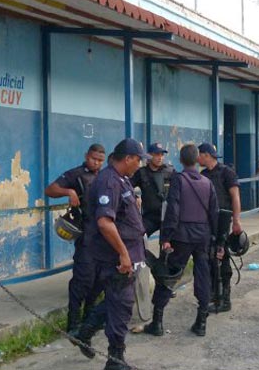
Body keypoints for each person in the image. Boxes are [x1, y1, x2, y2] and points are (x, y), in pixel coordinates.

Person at [72, 138, 150, 369]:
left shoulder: (121, 179)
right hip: (116, 257)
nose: (139, 164)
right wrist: (124, 255)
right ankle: (115, 361)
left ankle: (84, 331)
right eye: (138, 160)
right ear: (128, 158)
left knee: (116, 301)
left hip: (129, 252)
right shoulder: (108, 182)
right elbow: (105, 223)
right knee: (122, 306)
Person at [143, 144, 218, 337]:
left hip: (182, 235)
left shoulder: (179, 179)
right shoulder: (207, 182)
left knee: (169, 277)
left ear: (181, 160)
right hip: (202, 235)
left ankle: (157, 322)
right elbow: (214, 213)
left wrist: (166, 236)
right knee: (203, 276)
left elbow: (173, 209)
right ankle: (201, 322)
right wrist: (214, 239)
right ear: (197, 159)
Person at [44, 143, 106, 334]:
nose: (96, 163)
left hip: (103, 238)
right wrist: (68, 192)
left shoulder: (105, 176)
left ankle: (89, 319)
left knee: (99, 281)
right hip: (86, 237)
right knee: (82, 280)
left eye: (100, 160)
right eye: (94, 158)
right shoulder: (75, 175)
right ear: (86, 155)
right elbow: (50, 190)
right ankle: (73, 324)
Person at [197, 142, 242, 313]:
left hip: (222, 220)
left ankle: (225, 299)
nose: (197, 158)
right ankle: (215, 295)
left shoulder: (226, 172)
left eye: (199, 155)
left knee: (222, 257)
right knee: (210, 258)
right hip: (207, 222)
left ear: (206, 155)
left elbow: (235, 197)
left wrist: (236, 220)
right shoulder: (204, 174)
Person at [130, 142, 175, 236]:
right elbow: (127, 186)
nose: (160, 157)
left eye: (162, 155)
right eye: (157, 154)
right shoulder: (141, 173)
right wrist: (135, 197)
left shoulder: (170, 171)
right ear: (149, 156)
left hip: (168, 216)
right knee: (137, 234)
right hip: (150, 217)